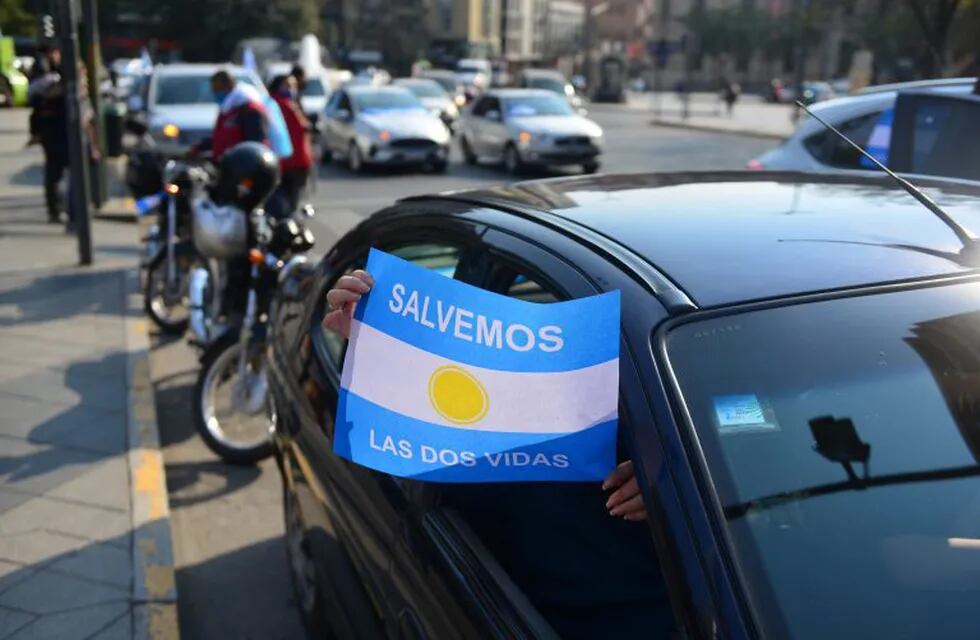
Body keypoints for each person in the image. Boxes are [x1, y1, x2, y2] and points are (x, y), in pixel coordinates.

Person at [323, 269, 649, 522]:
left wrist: (669, 485)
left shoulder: (662, 432)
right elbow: (387, 438)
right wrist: (374, 344)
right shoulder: (464, 439)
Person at [29, 50, 100, 229]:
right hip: (59, 140)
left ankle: (66, 214)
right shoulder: (62, 91)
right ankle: (69, 215)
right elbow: (86, 120)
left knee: (64, 177)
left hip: (57, 140)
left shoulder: (56, 90)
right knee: (68, 178)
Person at [191, 70, 268, 161]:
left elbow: (254, 143)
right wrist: (199, 147)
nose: (215, 93)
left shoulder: (248, 109)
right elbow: (221, 138)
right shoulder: (228, 109)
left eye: (217, 89)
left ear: (229, 85)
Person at [266, 74, 312, 218]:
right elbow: (302, 126)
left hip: (280, 159)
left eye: (293, 86)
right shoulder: (286, 104)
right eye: (288, 85)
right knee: (291, 199)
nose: (292, 89)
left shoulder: (270, 103)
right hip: (294, 160)